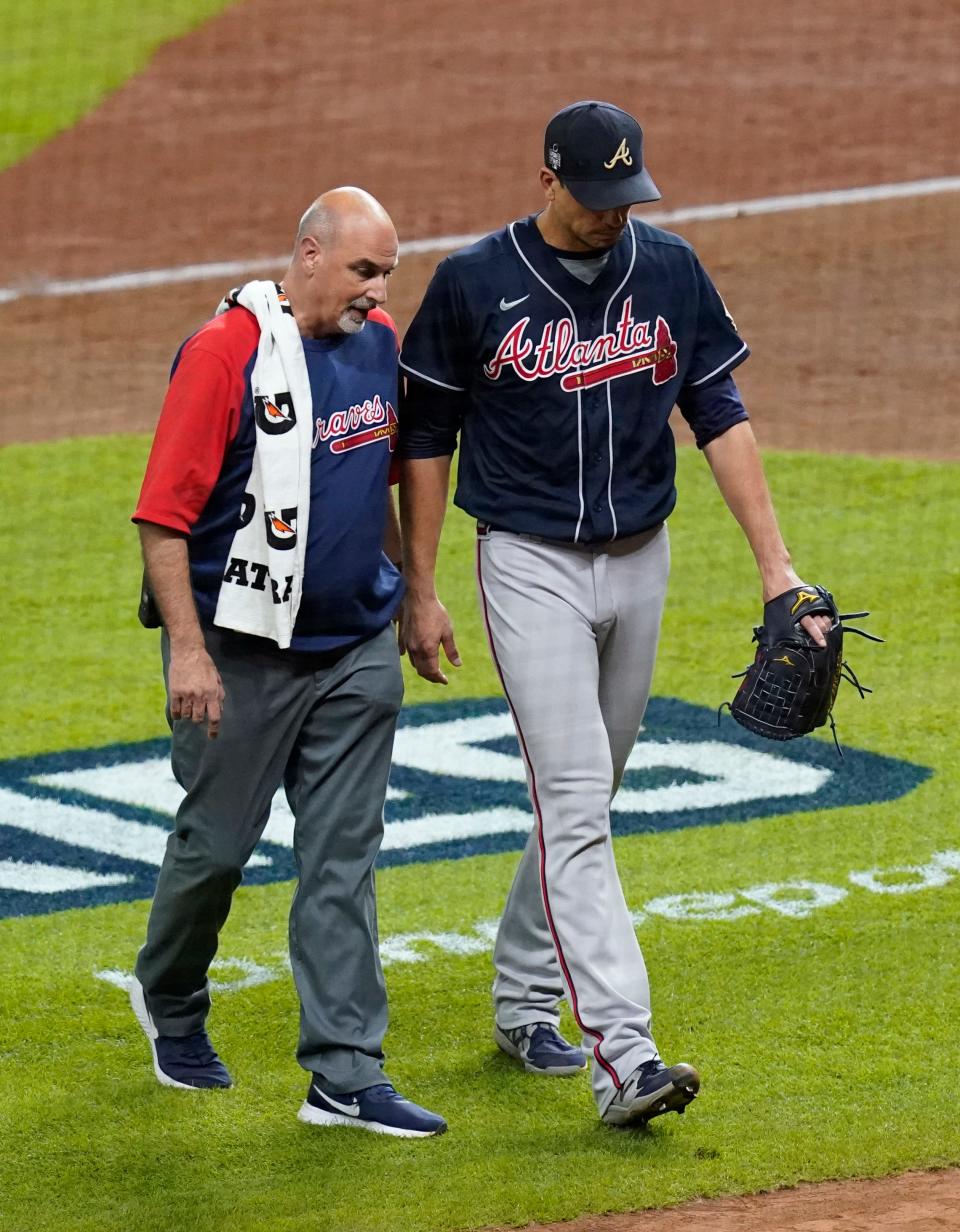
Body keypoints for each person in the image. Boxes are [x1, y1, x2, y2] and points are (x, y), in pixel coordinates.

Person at [396, 101, 828, 1129]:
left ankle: (518, 997)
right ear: (547, 180)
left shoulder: (670, 270)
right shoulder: (472, 283)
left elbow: (719, 410)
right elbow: (425, 435)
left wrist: (778, 570)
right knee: (580, 795)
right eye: (593, 198)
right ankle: (625, 1054)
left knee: (582, 798)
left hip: (643, 563)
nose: (609, 217)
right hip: (529, 566)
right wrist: (421, 584)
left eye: (625, 198)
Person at [129, 187, 446, 1138]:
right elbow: (162, 518)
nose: (379, 290)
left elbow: (378, 477)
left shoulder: (380, 344)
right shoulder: (226, 353)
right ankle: (172, 998)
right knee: (217, 849)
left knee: (342, 859)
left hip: (353, 646)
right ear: (308, 255)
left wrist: (413, 596)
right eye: (363, 270)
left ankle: (346, 1075)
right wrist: (188, 651)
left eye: (387, 271)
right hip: (240, 652)